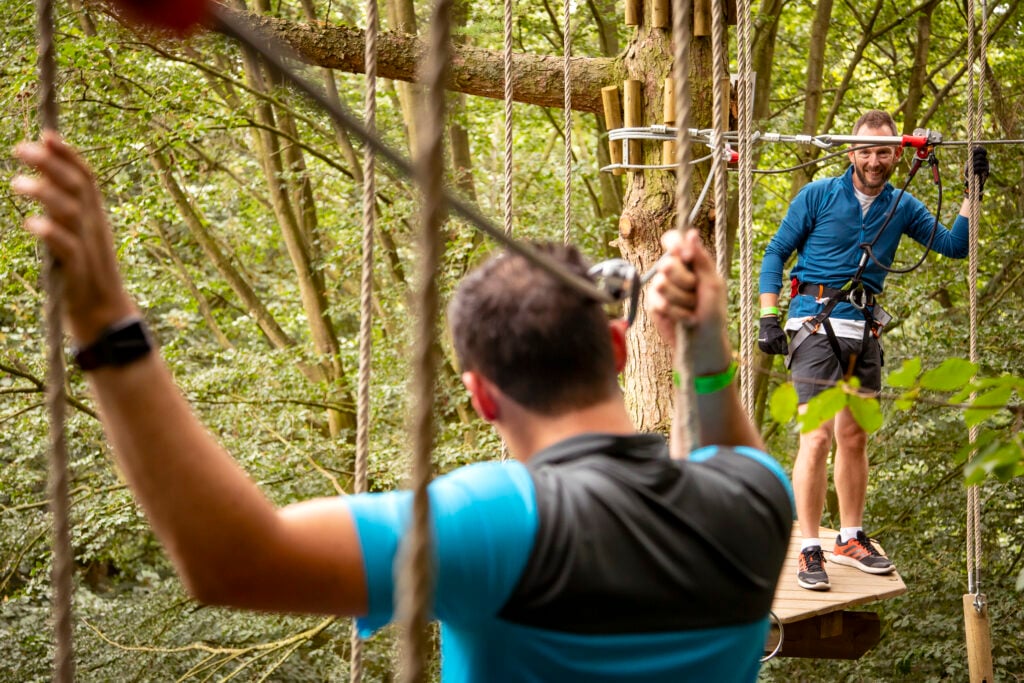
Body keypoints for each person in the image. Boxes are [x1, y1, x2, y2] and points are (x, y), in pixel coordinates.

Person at [14, 133, 793, 682]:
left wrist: (105, 322)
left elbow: (232, 560)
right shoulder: (758, 502)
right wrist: (703, 343)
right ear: (619, 351)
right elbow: (728, 447)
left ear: (481, 393)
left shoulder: (501, 523)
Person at [758, 110, 989, 591]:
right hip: (814, 320)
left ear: (896, 152)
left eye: (884, 151)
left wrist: (972, 192)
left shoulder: (902, 205)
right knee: (816, 437)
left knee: (854, 437)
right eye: (866, 150)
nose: (875, 160)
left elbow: (952, 246)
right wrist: (768, 315)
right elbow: (777, 250)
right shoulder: (819, 195)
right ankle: (808, 547)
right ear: (851, 152)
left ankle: (849, 536)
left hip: (862, 328)